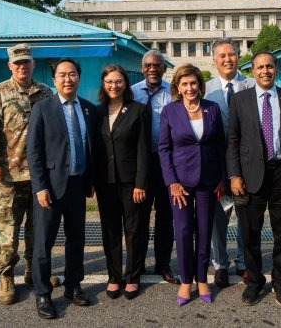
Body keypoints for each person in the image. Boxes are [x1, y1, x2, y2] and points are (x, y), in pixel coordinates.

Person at [226, 51, 281, 308]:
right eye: (260, 67)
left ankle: (280, 281)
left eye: (269, 66)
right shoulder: (240, 100)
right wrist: (234, 175)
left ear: (276, 69)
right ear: (253, 70)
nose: (265, 71)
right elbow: (233, 140)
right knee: (249, 233)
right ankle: (254, 281)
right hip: (250, 177)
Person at [0, 43, 55, 305]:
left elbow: (54, 132)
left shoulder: (45, 92)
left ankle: (35, 270)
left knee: (37, 229)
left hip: (39, 176)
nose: (22, 67)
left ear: (33, 64)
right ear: (10, 65)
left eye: (26, 62)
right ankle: (7, 275)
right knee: (8, 230)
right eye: (17, 63)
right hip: (8, 175)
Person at [27, 58, 98, 319]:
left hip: (78, 185)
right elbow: (33, 152)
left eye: (72, 74)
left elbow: (91, 148)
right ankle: (43, 294)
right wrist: (39, 186)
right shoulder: (43, 108)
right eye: (62, 75)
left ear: (79, 78)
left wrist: (90, 181)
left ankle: (72, 285)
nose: (68, 79)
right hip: (51, 188)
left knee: (76, 238)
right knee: (43, 242)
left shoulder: (89, 109)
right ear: (54, 79)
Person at [158, 64, 226, 306]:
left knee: (205, 229)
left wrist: (221, 177)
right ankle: (187, 281)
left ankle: (202, 278)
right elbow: (164, 148)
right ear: (177, 86)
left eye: (193, 83)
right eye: (184, 84)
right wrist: (172, 181)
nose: (189, 88)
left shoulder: (213, 109)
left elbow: (220, 145)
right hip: (180, 183)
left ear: (200, 85)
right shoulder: (170, 111)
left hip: (209, 180)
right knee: (184, 231)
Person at [94, 64, 150, 300]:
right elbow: (94, 150)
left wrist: (141, 183)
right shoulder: (96, 112)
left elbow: (144, 149)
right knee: (110, 231)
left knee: (135, 229)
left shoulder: (138, 110)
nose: (113, 86)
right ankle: (114, 276)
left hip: (131, 181)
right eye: (109, 82)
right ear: (103, 85)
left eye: (118, 81)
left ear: (125, 84)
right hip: (105, 182)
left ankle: (133, 275)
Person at [204, 38, 254, 288]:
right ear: (214, 60)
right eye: (222, 55)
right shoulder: (206, 89)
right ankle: (220, 264)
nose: (228, 59)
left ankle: (244, 262)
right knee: (218, 219)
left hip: (248, 164)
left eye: (232, 54)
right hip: (216, 166)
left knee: (247, 216)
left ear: (239, 56)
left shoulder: (252, 85)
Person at [131, 50, 179, 285]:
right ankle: (137, 265)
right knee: (138, 217)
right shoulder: (131, 93)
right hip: (140, 164)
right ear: (142, 68)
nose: (153, 68)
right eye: (148, 64)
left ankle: (163, 264)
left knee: (165, 216)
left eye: (157, 65)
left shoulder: (173, 92)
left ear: (164, 68)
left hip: (166, 163)